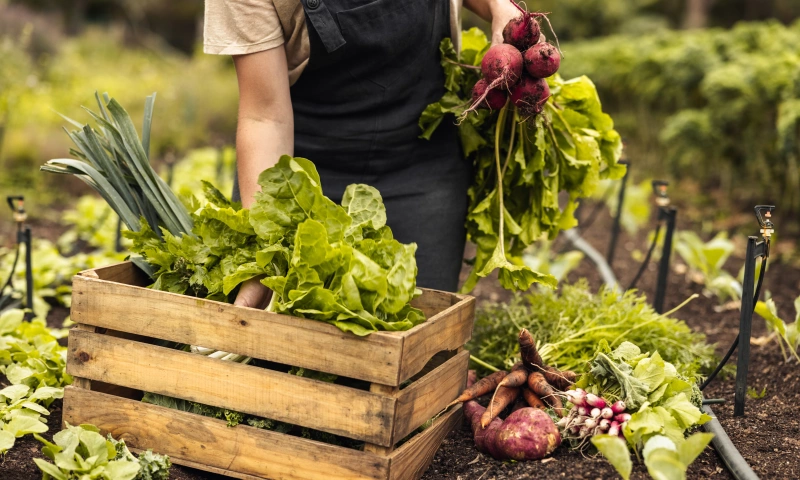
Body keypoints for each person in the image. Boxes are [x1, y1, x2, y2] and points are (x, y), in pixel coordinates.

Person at [204, 0, 520, 308]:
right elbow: (265, 117)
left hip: (424, 162)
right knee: (281, 348)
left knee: (420, 338)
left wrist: (498, 7)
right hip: (304, 180)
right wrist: (266, 245)